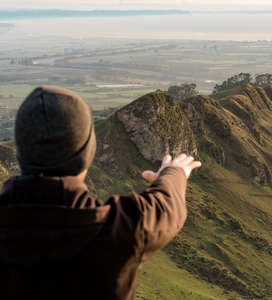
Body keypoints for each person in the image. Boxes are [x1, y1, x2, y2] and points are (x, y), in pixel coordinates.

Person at [0, 86, 201, 300]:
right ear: (86, 154)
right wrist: (173, 173)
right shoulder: (122, 230)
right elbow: (167, 206)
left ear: (22, 153)